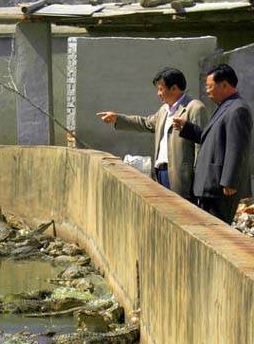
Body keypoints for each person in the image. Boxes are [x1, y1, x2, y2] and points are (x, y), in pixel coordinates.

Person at [97, 67, 207, 200]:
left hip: (181, 176)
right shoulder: (164, 110)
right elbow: (146, 123)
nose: (158, 93)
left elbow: (201, 144)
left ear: (174, 88)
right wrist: (118, 119)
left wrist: (197, 176)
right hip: (161, 172)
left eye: (161, 89)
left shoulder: (194, 108)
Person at [173, 63, 253, 224]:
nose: (207, 90)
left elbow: (236, 148)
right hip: (210, 184)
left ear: (224, 85)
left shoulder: (238, 109)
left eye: (210, 86)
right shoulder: (224, 106)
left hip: (220, 188)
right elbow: (213, 139)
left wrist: (229, 181)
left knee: (216, 228)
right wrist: (188, 128)